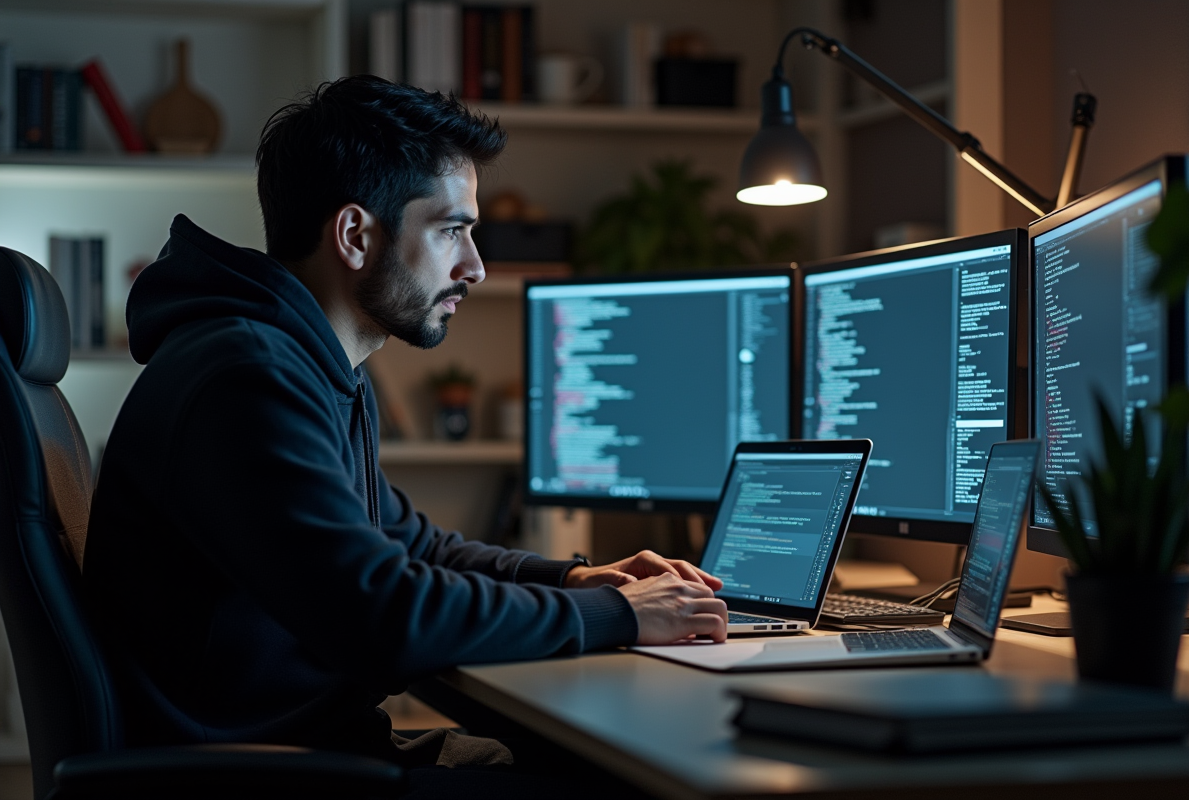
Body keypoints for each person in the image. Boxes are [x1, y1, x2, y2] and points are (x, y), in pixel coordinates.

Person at [82, 75, 728, 789]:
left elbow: (411, 547)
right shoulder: (247, 377)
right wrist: (613, 615)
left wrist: (575, 578)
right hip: (265, 774)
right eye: (452, 230)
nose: (475, 267)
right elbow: (385, 617)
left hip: (307, 752)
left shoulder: (307, 365)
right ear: (356, 234)